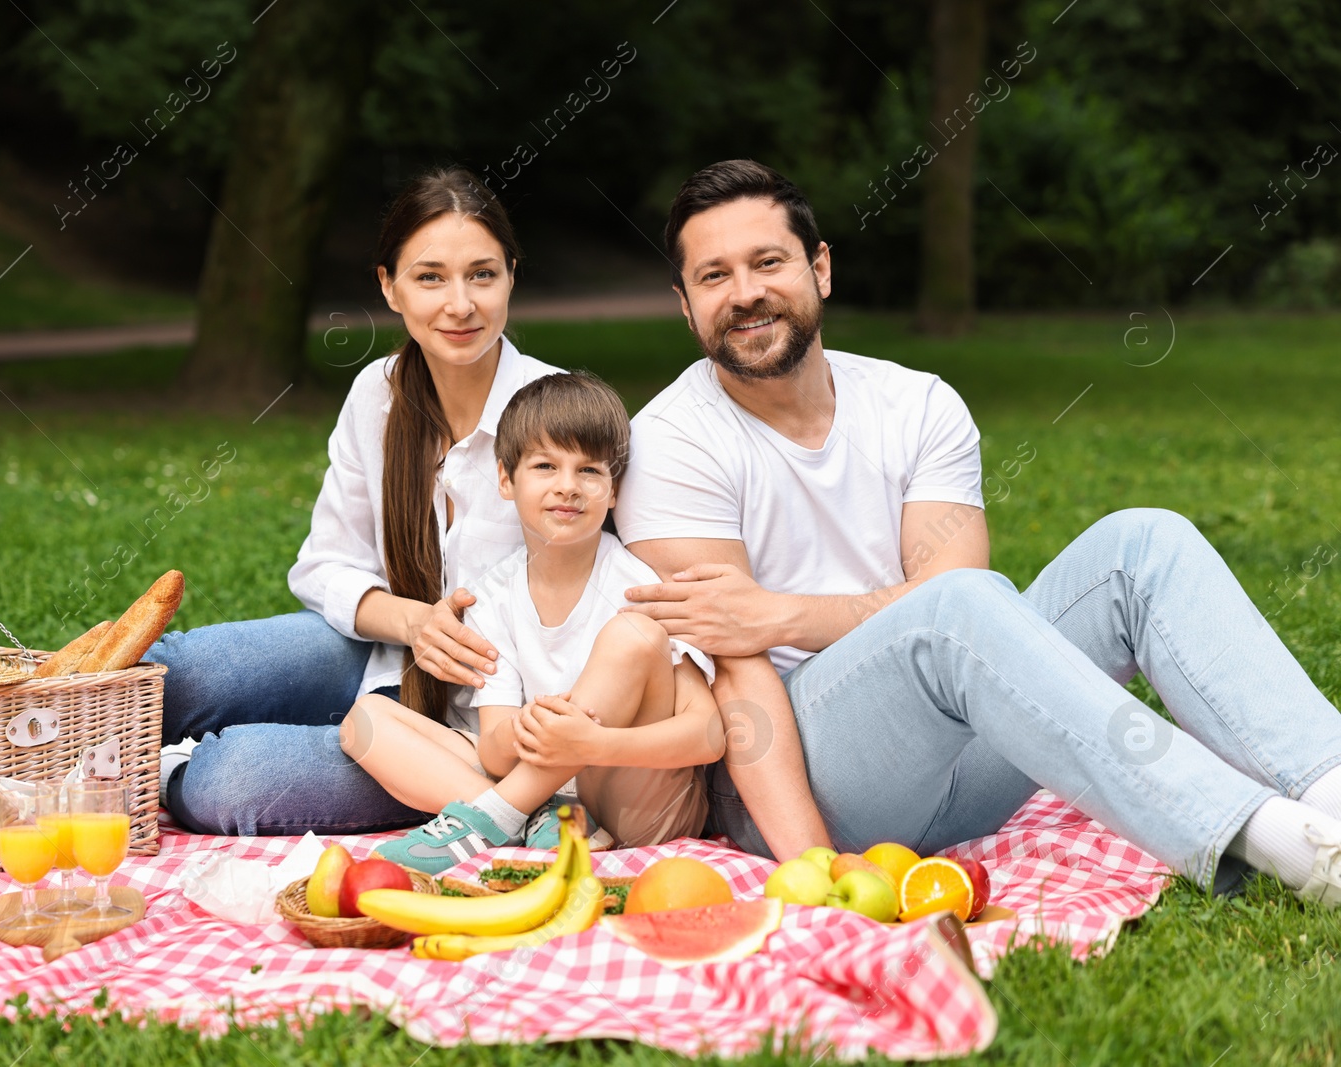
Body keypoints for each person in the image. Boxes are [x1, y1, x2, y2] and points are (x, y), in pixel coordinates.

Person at [613, 159, 1341, 904]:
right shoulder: (671, 443)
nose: (745, 293)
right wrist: (820, 866)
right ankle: (1282, 844)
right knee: (954, 609)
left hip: (961, 765)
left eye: (768, 262)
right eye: (713, 276)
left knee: (1142, 544)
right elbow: (740, 663)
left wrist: (787, 613)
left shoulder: (916, 403)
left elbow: (955, 593)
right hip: (787, 781)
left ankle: (1331, 789)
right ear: (685, 304)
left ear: (821, 268)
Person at [145, 167, 561, 836]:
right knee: (176, 672)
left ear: (512, 275)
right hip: (382, 652)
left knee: (230, 779)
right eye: (430, 277)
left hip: (477, 730)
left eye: (482, 274)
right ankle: (14, 753)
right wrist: (415, 623)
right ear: (388, 286)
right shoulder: (380, 393)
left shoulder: (558, 414)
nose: (460, 303)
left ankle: (161, 771)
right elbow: (325, 565)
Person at [341, 372, 722, 873]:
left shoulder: (637, 585)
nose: (568, 487)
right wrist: (530, 728)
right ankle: (538, 817)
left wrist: (594, 743)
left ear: (612, 491)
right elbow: (499, 753)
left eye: (589, 470)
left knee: (634, 634)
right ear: (506, 479)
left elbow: (709, 734)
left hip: (637, 802)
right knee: (365, 720)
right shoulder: (492, 596)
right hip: (556, 801)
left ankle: (496, 815)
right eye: (545, 466)